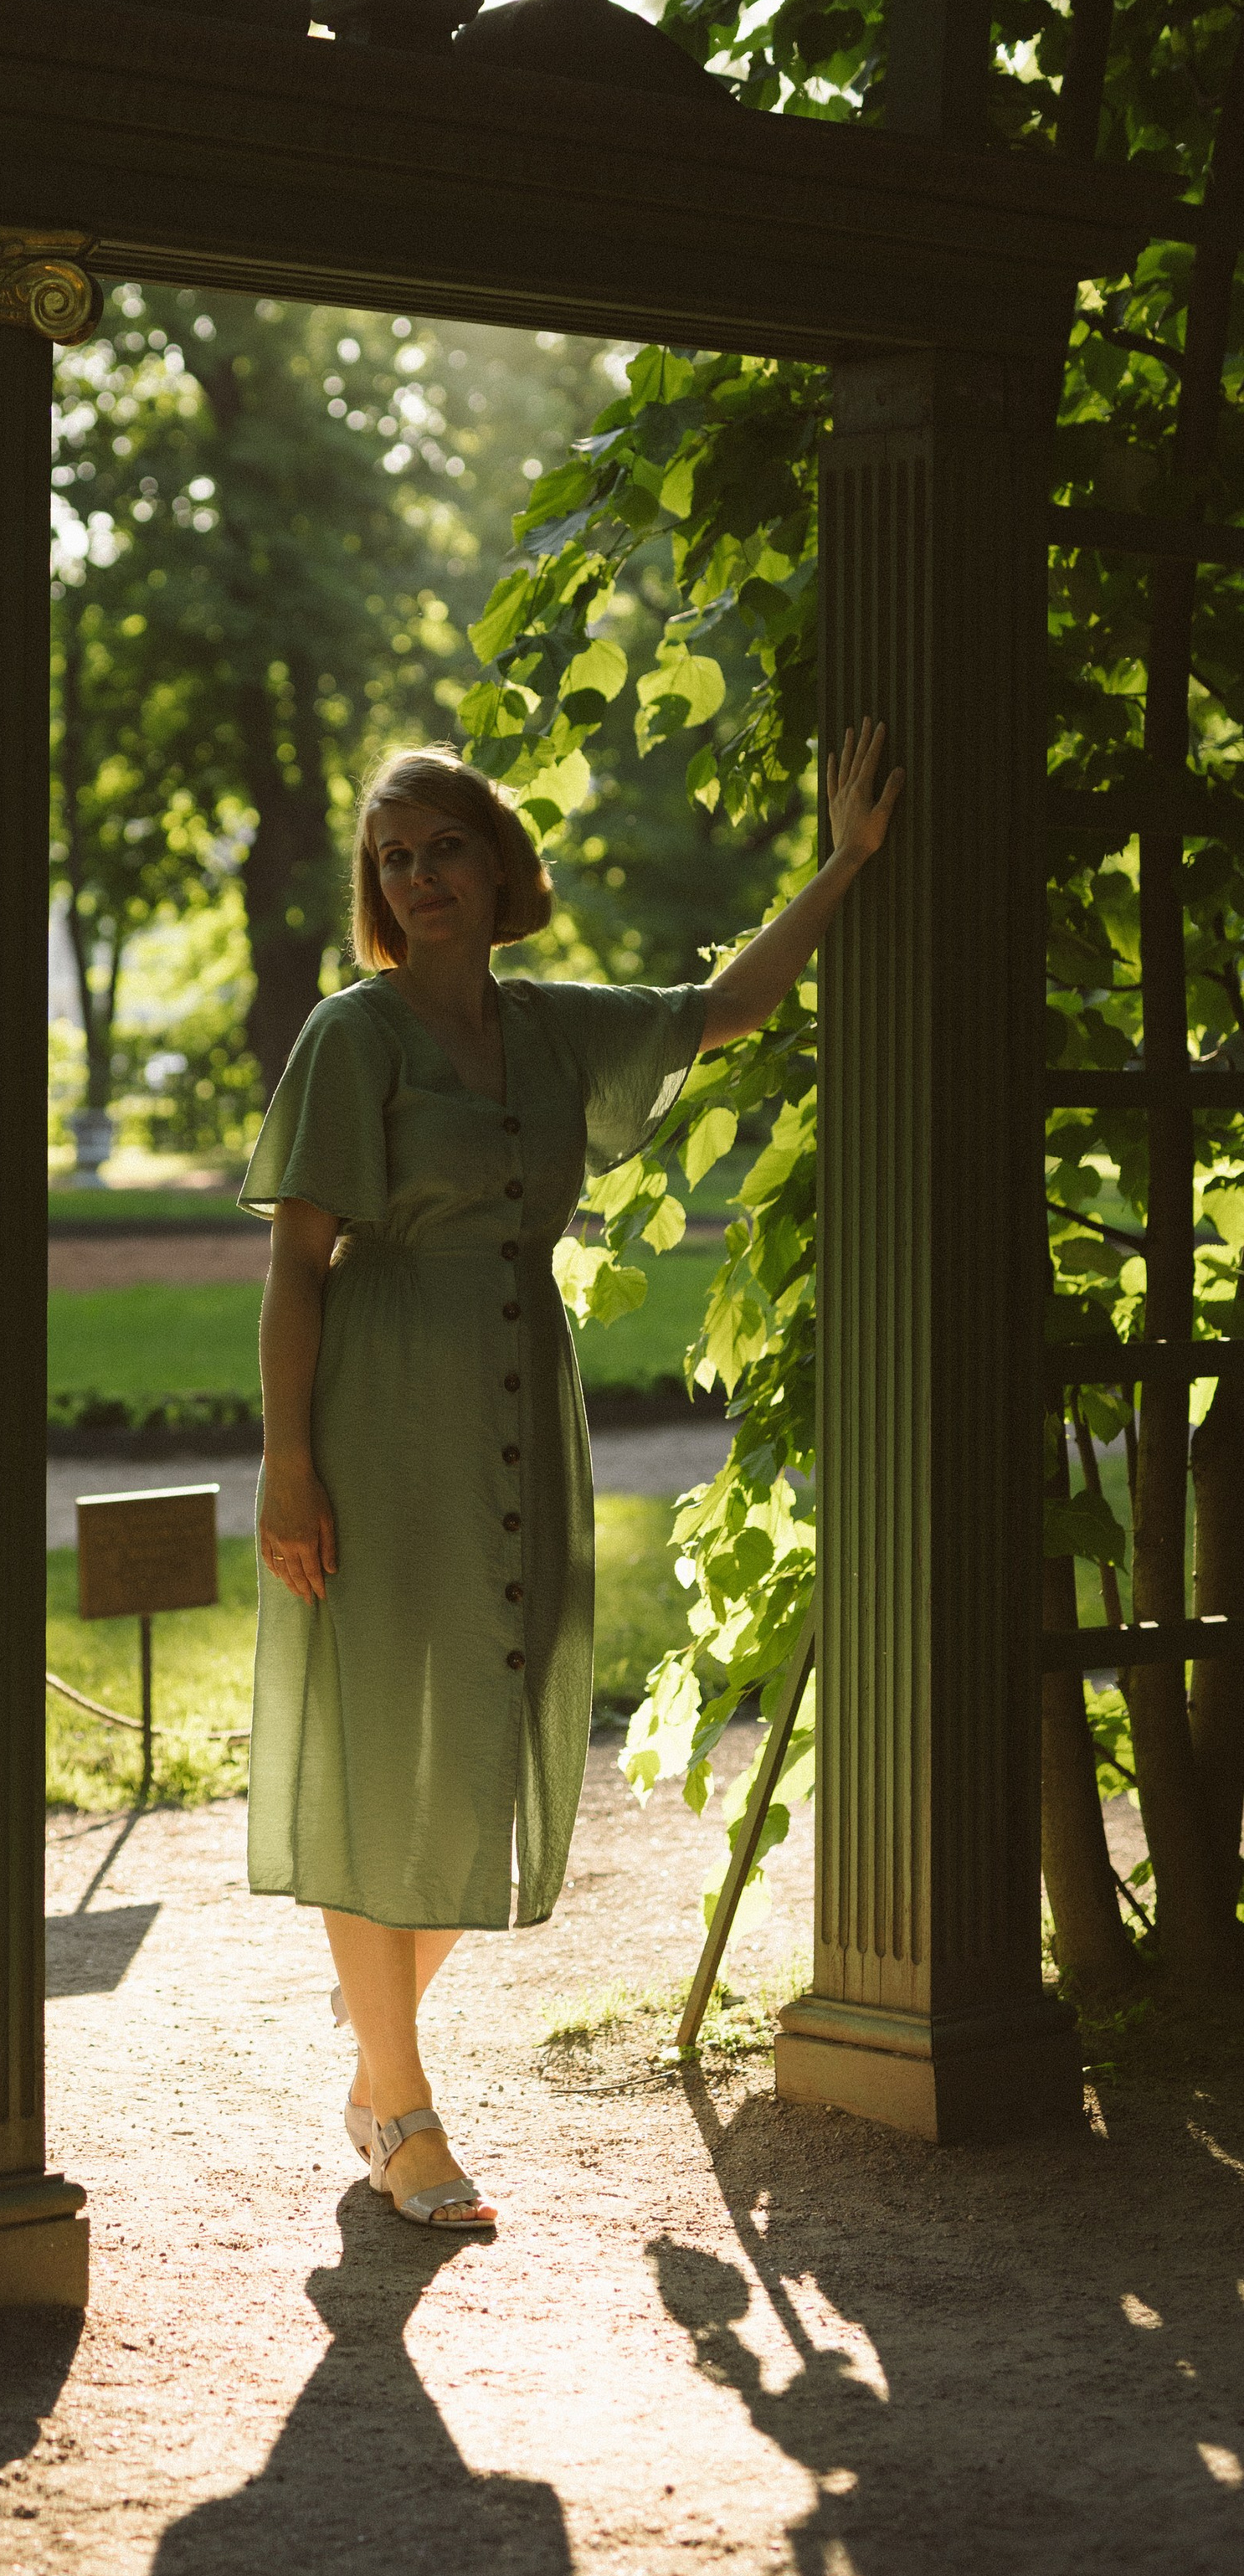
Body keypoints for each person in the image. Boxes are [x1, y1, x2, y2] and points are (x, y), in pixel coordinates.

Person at [244, 727, 903, 2229]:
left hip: (520, 1397)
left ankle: (375, 2046)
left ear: (499, 865)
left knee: (495, 1712)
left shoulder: (549, 1031)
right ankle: (402, 2110)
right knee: (380, 1740)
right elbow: (294, 1263)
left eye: (443, 850)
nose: (418, 882)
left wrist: (848, 863)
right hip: (380, 1403)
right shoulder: (354, 1034)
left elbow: (732, 1004)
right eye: (392, 861)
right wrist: (288, 1462)